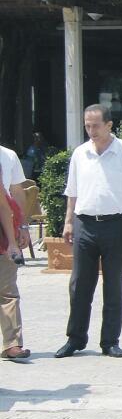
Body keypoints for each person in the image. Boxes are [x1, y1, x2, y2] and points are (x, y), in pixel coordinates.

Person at [55, 105, 122, 359]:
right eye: (87, 126)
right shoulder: (80, 154)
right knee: (79, 285)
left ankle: (110, 340)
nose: (91, 131)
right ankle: (75, 339)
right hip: (85, 223)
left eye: (96, 125)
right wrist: (68, 222)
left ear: (109, 125)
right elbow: (72, 193)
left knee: (114, 284)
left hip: (116, 225)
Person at [0, 147, 29, 361]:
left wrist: (13, 239)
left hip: (2, 233)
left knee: (7, 289)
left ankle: (12, 344)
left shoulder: (7, 156)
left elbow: (5, 205)